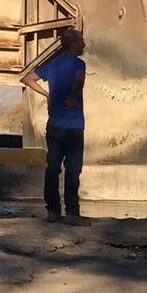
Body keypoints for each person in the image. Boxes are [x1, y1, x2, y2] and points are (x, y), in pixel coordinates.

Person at [21, 29, 89, 226]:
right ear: (73, 44)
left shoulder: (52, 64)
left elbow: (27, 79)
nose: (84, 45)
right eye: (81, 42)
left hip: (54, 125)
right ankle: (72, 214)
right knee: (73, 169)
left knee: (52, 168)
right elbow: (79, 80)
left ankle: (52, 211)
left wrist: (47, 94)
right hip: (74, 125)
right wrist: (73, 97)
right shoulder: (78, 64)